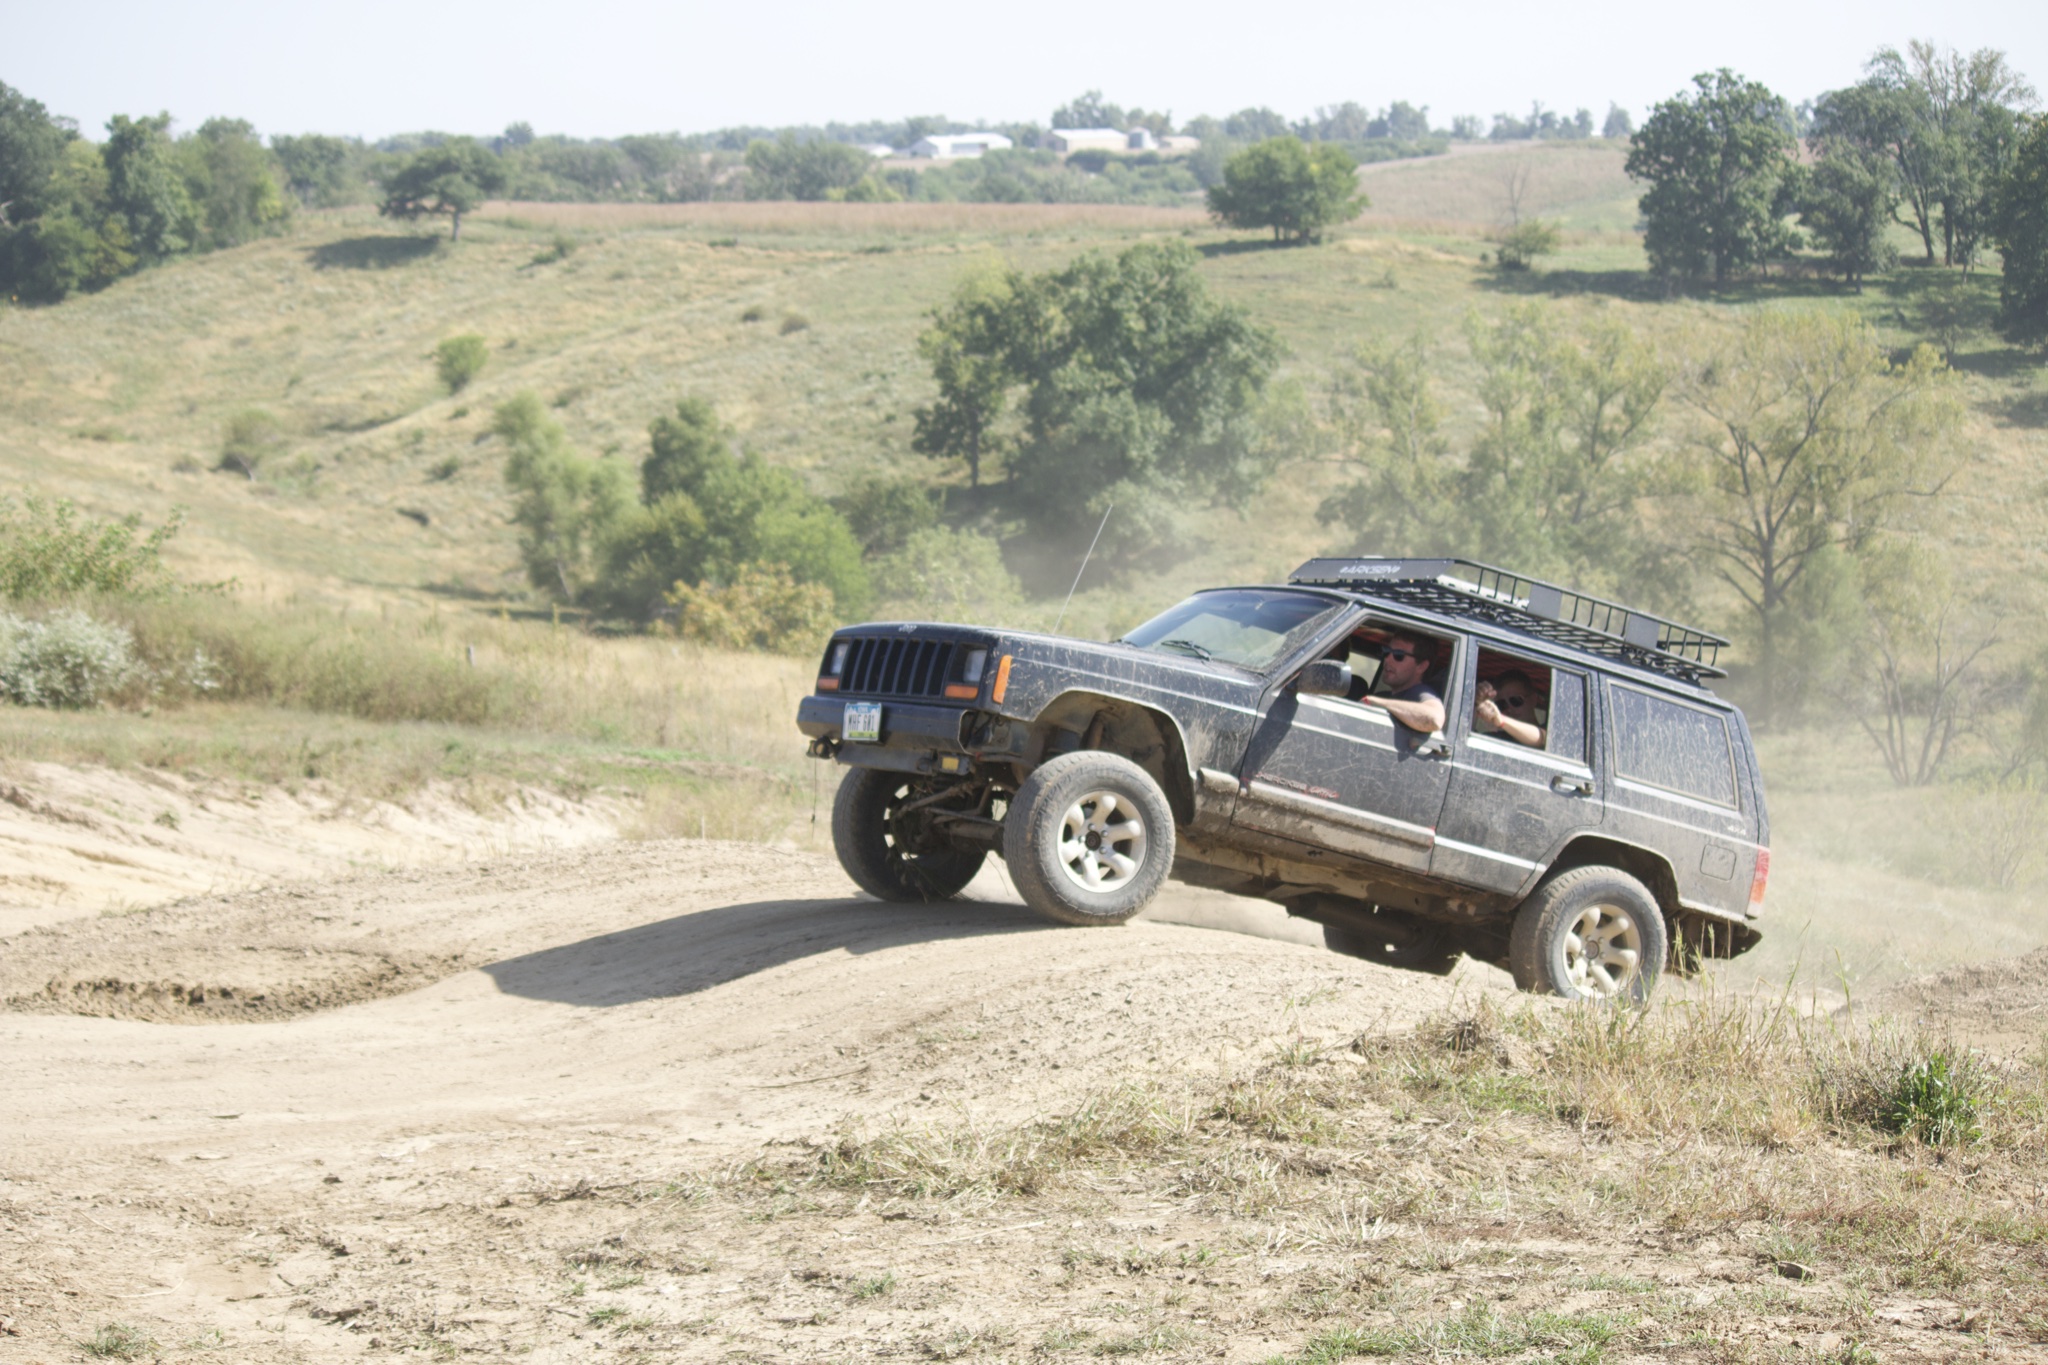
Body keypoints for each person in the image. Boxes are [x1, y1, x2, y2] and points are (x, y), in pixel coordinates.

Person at [1361, 633, 1446, 734]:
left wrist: (1375, 702)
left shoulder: (1420, 692)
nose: (1387, 659)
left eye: (1398, 655)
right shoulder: (1383, 695)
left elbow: (1434, 719)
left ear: (1421, 666)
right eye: (1387, 651)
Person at [1475, 669, 1546, 748]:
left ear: (1533, 699)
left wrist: (1501, 720)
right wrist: (1476, 701)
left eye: (1516, 700)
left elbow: (1541, 738)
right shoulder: (1497, 739)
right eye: (1501, 704)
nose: (1509, 709)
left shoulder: (1551, 733)